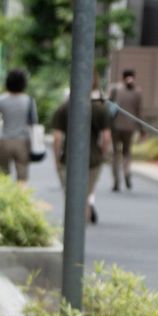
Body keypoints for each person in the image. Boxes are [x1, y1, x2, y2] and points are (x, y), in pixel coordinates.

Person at [51, 82, 112, 225]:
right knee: (86, 194)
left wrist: (57, 158)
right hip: (94, 158)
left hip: (69, 158)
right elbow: (106, 137)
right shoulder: (100, 109)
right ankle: (84, 219)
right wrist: (103, 154)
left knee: (71, 194)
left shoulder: (64, 108)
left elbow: (57, 138)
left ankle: (73, 226)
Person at [0, 68, 39, 183]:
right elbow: (34, 121)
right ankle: (20, 198)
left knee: (2, 175)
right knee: (22, 177)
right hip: (23, 141)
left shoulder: (0, 100)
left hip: (5, 140)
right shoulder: (29, 100)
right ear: (24, 83)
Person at [108, 68, 143, 191]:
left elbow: (109, 107)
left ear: (122, 77)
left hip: (115, 126)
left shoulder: (115, 89)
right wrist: (142, 129)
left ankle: (116, 180)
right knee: (127, 152)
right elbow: (139, 112)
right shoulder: (137, 91)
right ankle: (127, 173)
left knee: (115, 153)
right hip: (130, 126)